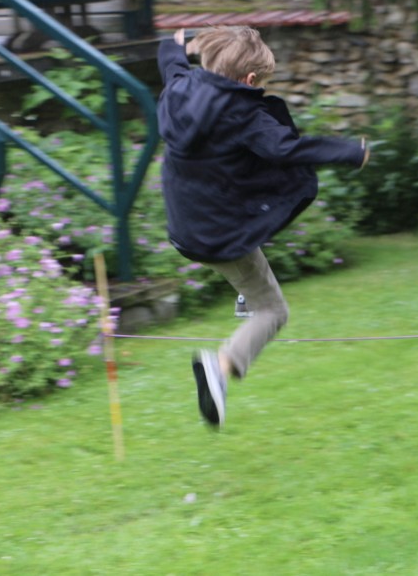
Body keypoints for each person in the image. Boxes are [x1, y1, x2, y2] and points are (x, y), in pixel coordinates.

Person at [156, 26, 369, 427]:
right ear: (250, 81)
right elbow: (289, 149)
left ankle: (244, 297)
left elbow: (169, 60)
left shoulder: (180, 89)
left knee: (254, 199)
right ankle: (219, 367)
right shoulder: (244, 115)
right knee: (274, 311)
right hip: (219, 236)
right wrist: (349, 152)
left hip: (186, 224)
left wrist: (174, 41)